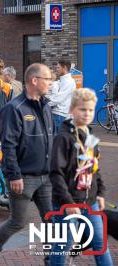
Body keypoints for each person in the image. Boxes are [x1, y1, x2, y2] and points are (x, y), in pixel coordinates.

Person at [0, 63, 54, 266]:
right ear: (34, 80)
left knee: (51, 220)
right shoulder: (14, 109)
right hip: (24, 177)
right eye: (47, 79)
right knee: (18, 222)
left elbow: (51, 139)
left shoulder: (46, 106)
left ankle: (51, 259)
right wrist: (14, 175)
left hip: (46, 176)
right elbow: (9, 145)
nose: (50, 83)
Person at [49, 88, 113, 265]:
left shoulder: (90, 135)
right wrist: (68, 202)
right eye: (82, 109)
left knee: (100, 243)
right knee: (64, 245)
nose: (87, 113)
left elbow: (94, 167)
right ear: (72, 110)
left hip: (89, 201)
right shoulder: (63, 138)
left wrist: (100, 192)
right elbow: (56, 173)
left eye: (91, 110)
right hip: (66, 203)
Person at [46, 59, 76, 133]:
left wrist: (44, 104)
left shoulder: (69, 82)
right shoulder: (60, 81)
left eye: (58, 67)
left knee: (56, 141)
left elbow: (58, 98)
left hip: (60, 115)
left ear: (65, 68)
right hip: (57, 114)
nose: (57, 69)